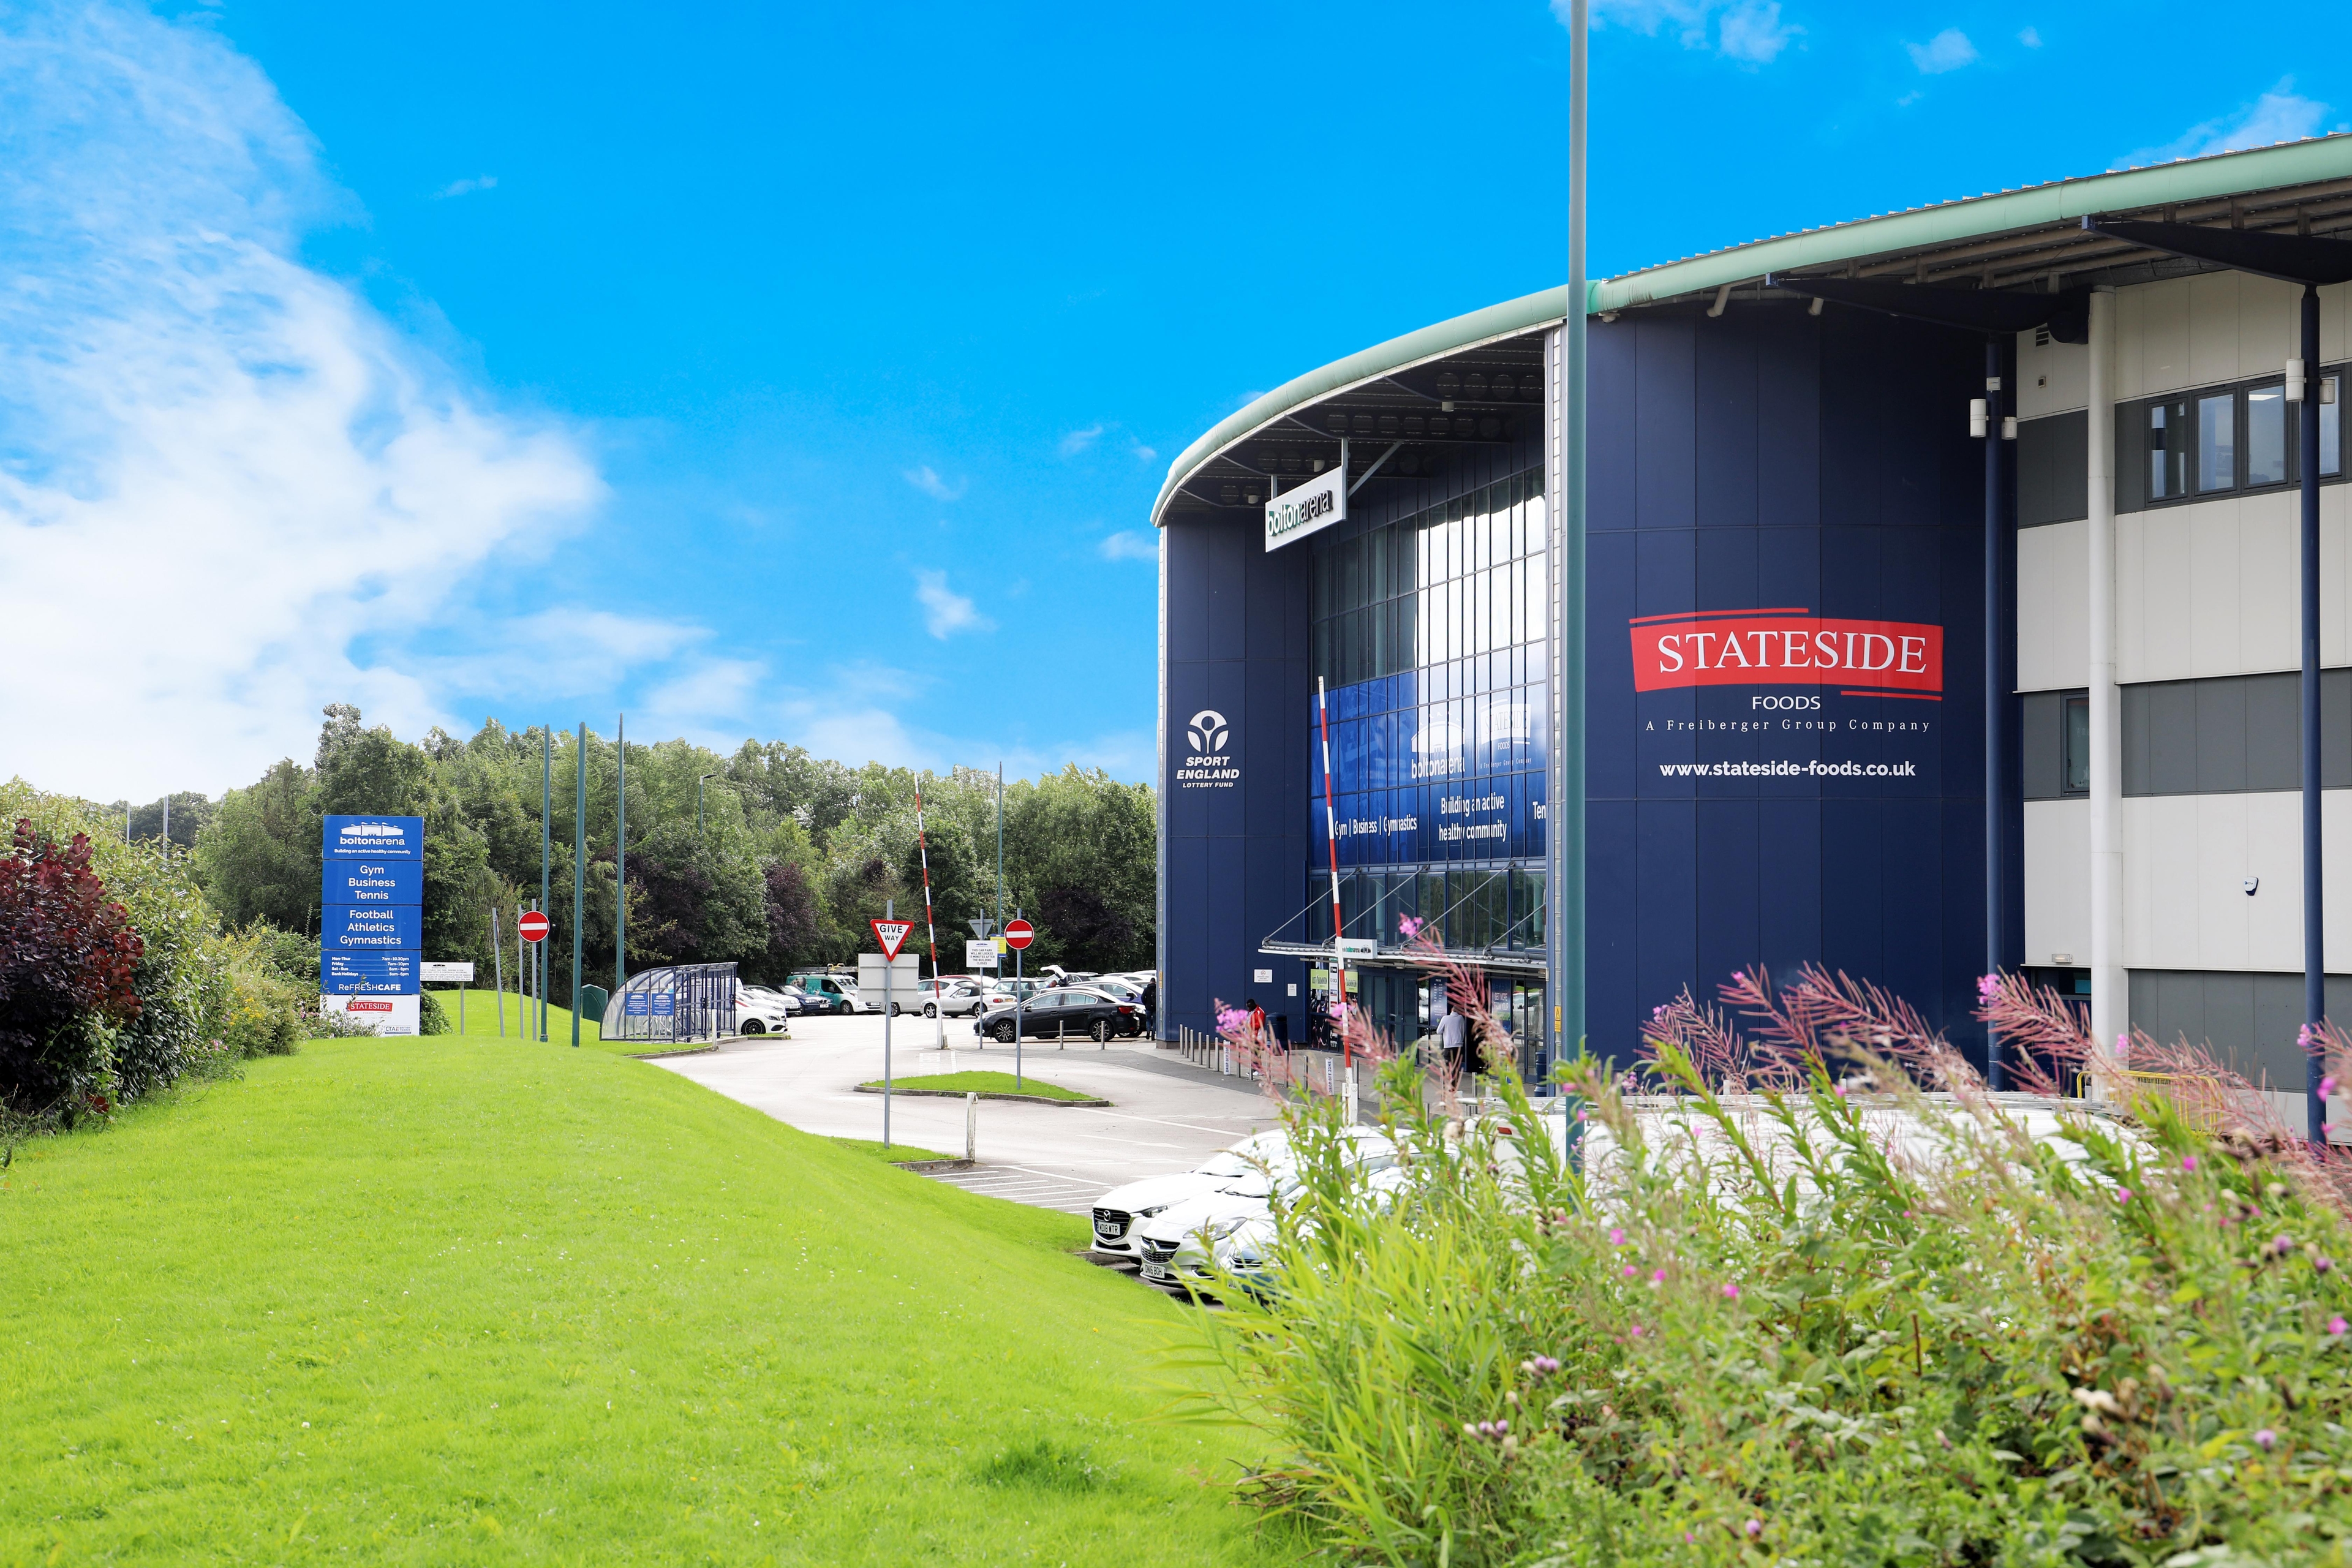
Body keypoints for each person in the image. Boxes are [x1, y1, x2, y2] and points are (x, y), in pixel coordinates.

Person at [1438, 1005, 1470, 1086]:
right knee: (1456, 1066)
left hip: (1448, 1046)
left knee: (1448, 1065)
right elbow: (1463, 1030)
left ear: (1452, 1010)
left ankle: (1448, 1083)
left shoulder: (1445, 1018)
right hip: (1459, 1045)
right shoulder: (1461, 1018)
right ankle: (1455, 1084)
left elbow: (1439, 1031)